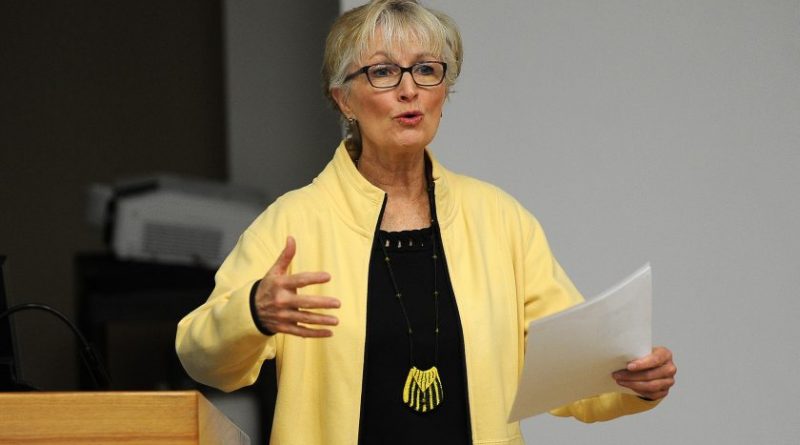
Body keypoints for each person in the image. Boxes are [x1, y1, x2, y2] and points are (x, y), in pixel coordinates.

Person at [175, 1, 677, 444]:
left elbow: (571, 371)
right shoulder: (295, 222)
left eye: (426, 70)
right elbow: (203, 358)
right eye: (382, 72)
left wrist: (633, 380)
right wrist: (253, 313)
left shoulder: (499, 220)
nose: (409, 90)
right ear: (342, 98)